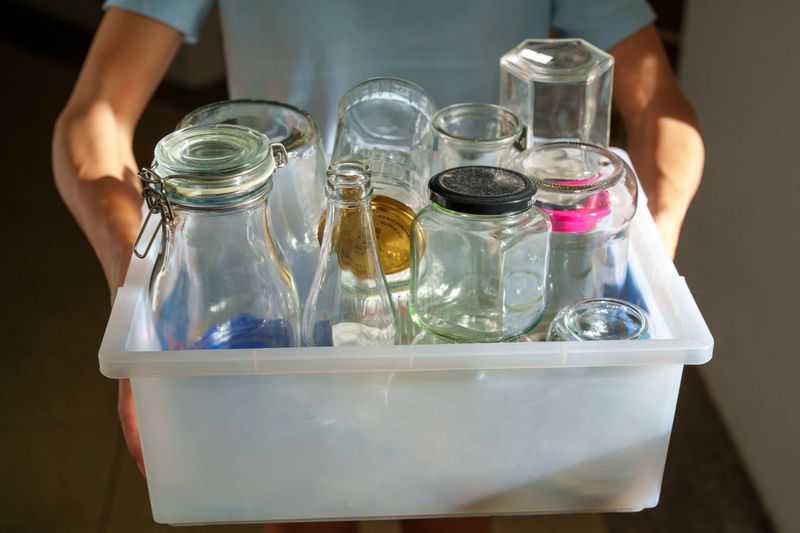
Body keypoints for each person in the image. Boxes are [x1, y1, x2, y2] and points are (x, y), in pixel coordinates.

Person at [51, 1, 704, 532]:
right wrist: (134, 287)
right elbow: (93, 118)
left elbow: (660, 108)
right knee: (308, 516)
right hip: (295, 308)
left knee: (450, 515)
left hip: (465, 315)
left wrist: (643, 265)